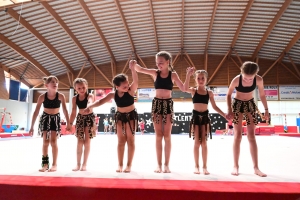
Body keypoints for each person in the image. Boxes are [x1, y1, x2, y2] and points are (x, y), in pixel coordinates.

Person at [134, 51, 186, 173]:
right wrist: (134, 64)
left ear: (168, 62)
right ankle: (158, 164)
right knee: (158, 135)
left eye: (161, 63)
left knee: (167, 135)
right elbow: (140, 69)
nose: (159, 65)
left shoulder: (173, 75)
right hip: (157, 104)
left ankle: (166, 164)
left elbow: (183, 88)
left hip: (168, 104)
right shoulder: (155, 73)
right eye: (157, 63)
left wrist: (188, 75)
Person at [84, 60, 138, 173]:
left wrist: (133, 69)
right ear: (116, 87)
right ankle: (120, 164)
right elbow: (100, 102)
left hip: (131, 116)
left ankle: (129, 165)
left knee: (131, 141)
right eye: (124, 86)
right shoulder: (112, 94)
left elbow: (136, 81)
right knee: (121, 141)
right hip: (119, 117)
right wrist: (90, 106)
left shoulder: (131, 91)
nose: (127, 86)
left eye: (127, 84)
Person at [226, 61, 269, 177]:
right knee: (238, 135)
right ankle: (235, 165)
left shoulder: (259, 80)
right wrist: (229, 110)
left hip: (250, 105)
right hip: (237, 105)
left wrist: (266, 110)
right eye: (246, 78)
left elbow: (262, 95)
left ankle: (256, 167)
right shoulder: (236, 79)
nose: (249, 81)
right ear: (241, 72)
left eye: (251, 79)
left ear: (256, 74)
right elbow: (229, 94)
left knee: (251, 136)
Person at [184, 68, 227, 175]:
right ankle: (196, 166)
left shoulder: (209, 93)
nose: (201, 80)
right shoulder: (194, 90)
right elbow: (184, 89)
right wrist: (188, 75)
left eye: (203, 78)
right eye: (198, 78)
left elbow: (215, 107)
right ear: (195, 79)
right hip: (195, 117)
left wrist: (224, 115)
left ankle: (205, 166)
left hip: (205, 118)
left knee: (204, 142)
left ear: (206, 79)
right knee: (197, 143)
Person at [29, 76, 71, 172]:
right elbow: (36, 112)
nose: (55, 83)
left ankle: (54, 164)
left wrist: (68, 123)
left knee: (53, 141)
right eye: (52, 82)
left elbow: (65, 110)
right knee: (45, 142)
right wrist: (31, 126)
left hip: (55, 119)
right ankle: (45, 164)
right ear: (46, 85)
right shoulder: (42, 97)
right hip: (45, 118)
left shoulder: (60, 96)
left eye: (56, 82)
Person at [69, 78, 95, 171]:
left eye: (83, 87)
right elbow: (73, 112)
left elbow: (90, 102)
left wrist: (88, 106)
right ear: (75, 89)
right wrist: (70, 123)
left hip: (89, 118)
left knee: (87, 141)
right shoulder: (74, 98)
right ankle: (78, 164)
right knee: (79, 142)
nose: (82, 90)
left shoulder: (90, 95)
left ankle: (84, 164)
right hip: (80, 119)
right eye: (79, 88)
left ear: (87, 86)